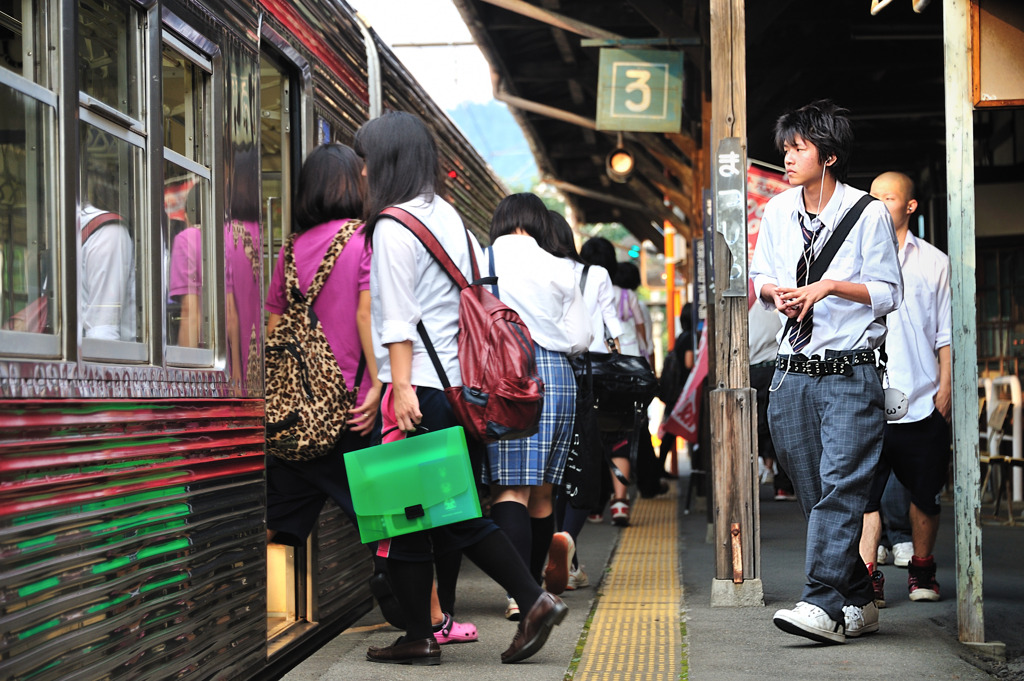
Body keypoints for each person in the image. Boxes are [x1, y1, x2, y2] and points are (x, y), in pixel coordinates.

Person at [355, 110, 567, 666]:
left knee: (441, 517)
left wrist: (398, 390)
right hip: (460, 393)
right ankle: (421, 637)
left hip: (421, 392)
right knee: (415, 521)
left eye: (364, 160)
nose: (360, 172)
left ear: (386, 162)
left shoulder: (393, 226)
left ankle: (531, 598)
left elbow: (397, 320)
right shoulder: (451, 218)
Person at [749, 100, 903, 644]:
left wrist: (829, 286)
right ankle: (859, 596)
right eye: (786, 148)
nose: (787, 158)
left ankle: (820, 604)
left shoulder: (868, 213)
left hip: (850, 370)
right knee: (817, 493)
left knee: (841, 489)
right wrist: (778, 294)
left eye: (799, 148)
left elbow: (888, 292)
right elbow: (761, 273)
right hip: (792, 373)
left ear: (829, 155)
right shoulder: (777, 211)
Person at [484, 193, 591, 611]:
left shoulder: (483, 259)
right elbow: (582, 338)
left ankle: (519, 594)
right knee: (543, 492)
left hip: (506, 374)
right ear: (537, 222)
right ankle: (532, 589)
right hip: (558, 376)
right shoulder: (560, 266)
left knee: (509, 490)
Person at [858, 170, 951, 608]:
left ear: (909, 206)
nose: (878, 204)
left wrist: (945, 389)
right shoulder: (854, 260)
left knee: (925, 494)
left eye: (888, 197)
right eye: (872, 197)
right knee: (865, 495)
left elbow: (946, 335)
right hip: (867, 398)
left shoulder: (934, 262)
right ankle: (867, 577)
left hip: (921, 395)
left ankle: (922, 569)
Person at [546, 211, 620, 591]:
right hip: (581, 377)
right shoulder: (596, 274)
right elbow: (608, 326)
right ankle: (568, 551)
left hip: (537, 376)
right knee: (583, 464)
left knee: (549, 475)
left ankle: (553, 557)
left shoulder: (533, 270)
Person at [578, 237, 635, 525]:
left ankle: (591, 506)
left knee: (585, 438)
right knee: (617, 432)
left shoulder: (568, 274)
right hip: (606, 365)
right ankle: (621, 502)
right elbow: (613, 324)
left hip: (578, 365)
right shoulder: (608, 282)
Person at [747, 280, 795, 501]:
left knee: (755, 425)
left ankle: (756, 472)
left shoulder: (746, 312)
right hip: (775, 371)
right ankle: (782, 484)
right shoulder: (777, 308)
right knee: (779, 424)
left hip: (751, 373)